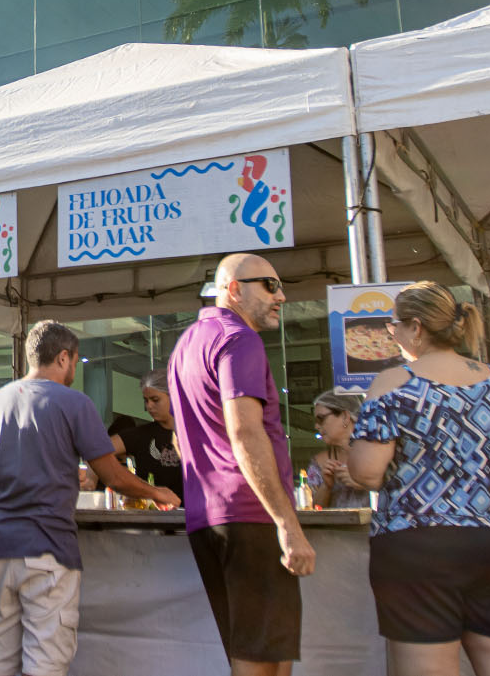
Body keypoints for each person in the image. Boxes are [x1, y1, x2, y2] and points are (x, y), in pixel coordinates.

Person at [348, 281, 490, 676]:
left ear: (415, 327)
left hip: (419, 547)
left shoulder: (395, 384)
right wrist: (485, 486)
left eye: (392, 327)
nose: (392, 336)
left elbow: (367, 471)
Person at [0, 320, 179, 676]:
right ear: (64, 357)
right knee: (46, 665)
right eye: (76, 361)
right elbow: (113, 476)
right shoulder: (74, 403)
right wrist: (156, 492)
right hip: (48, 551)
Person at [168, 253, 314, 676]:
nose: (280, 296)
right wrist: (287, 523)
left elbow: (181, 438)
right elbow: (245, 432)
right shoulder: (239, 338)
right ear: (233, 289)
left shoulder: (187, 344)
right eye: (269, 285)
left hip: (208, 517)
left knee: (249, 652)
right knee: (265, 661)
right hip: (250, 514)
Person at [110, 367, 183, 497]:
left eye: (155, 400)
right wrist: (91, 476)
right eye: (146, 400)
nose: (149, 406)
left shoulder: (193, 433)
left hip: (192, 512)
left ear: (174, 396)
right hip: (152, 513)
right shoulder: (141, 434)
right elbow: (97, 451)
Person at [304, 391, 367, 509]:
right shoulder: (319, 463)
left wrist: (366, 483)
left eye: (321, 419)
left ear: (345, 417)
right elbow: (315, 508)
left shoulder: (377, 453)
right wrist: (326, 486)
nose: (316, 426)